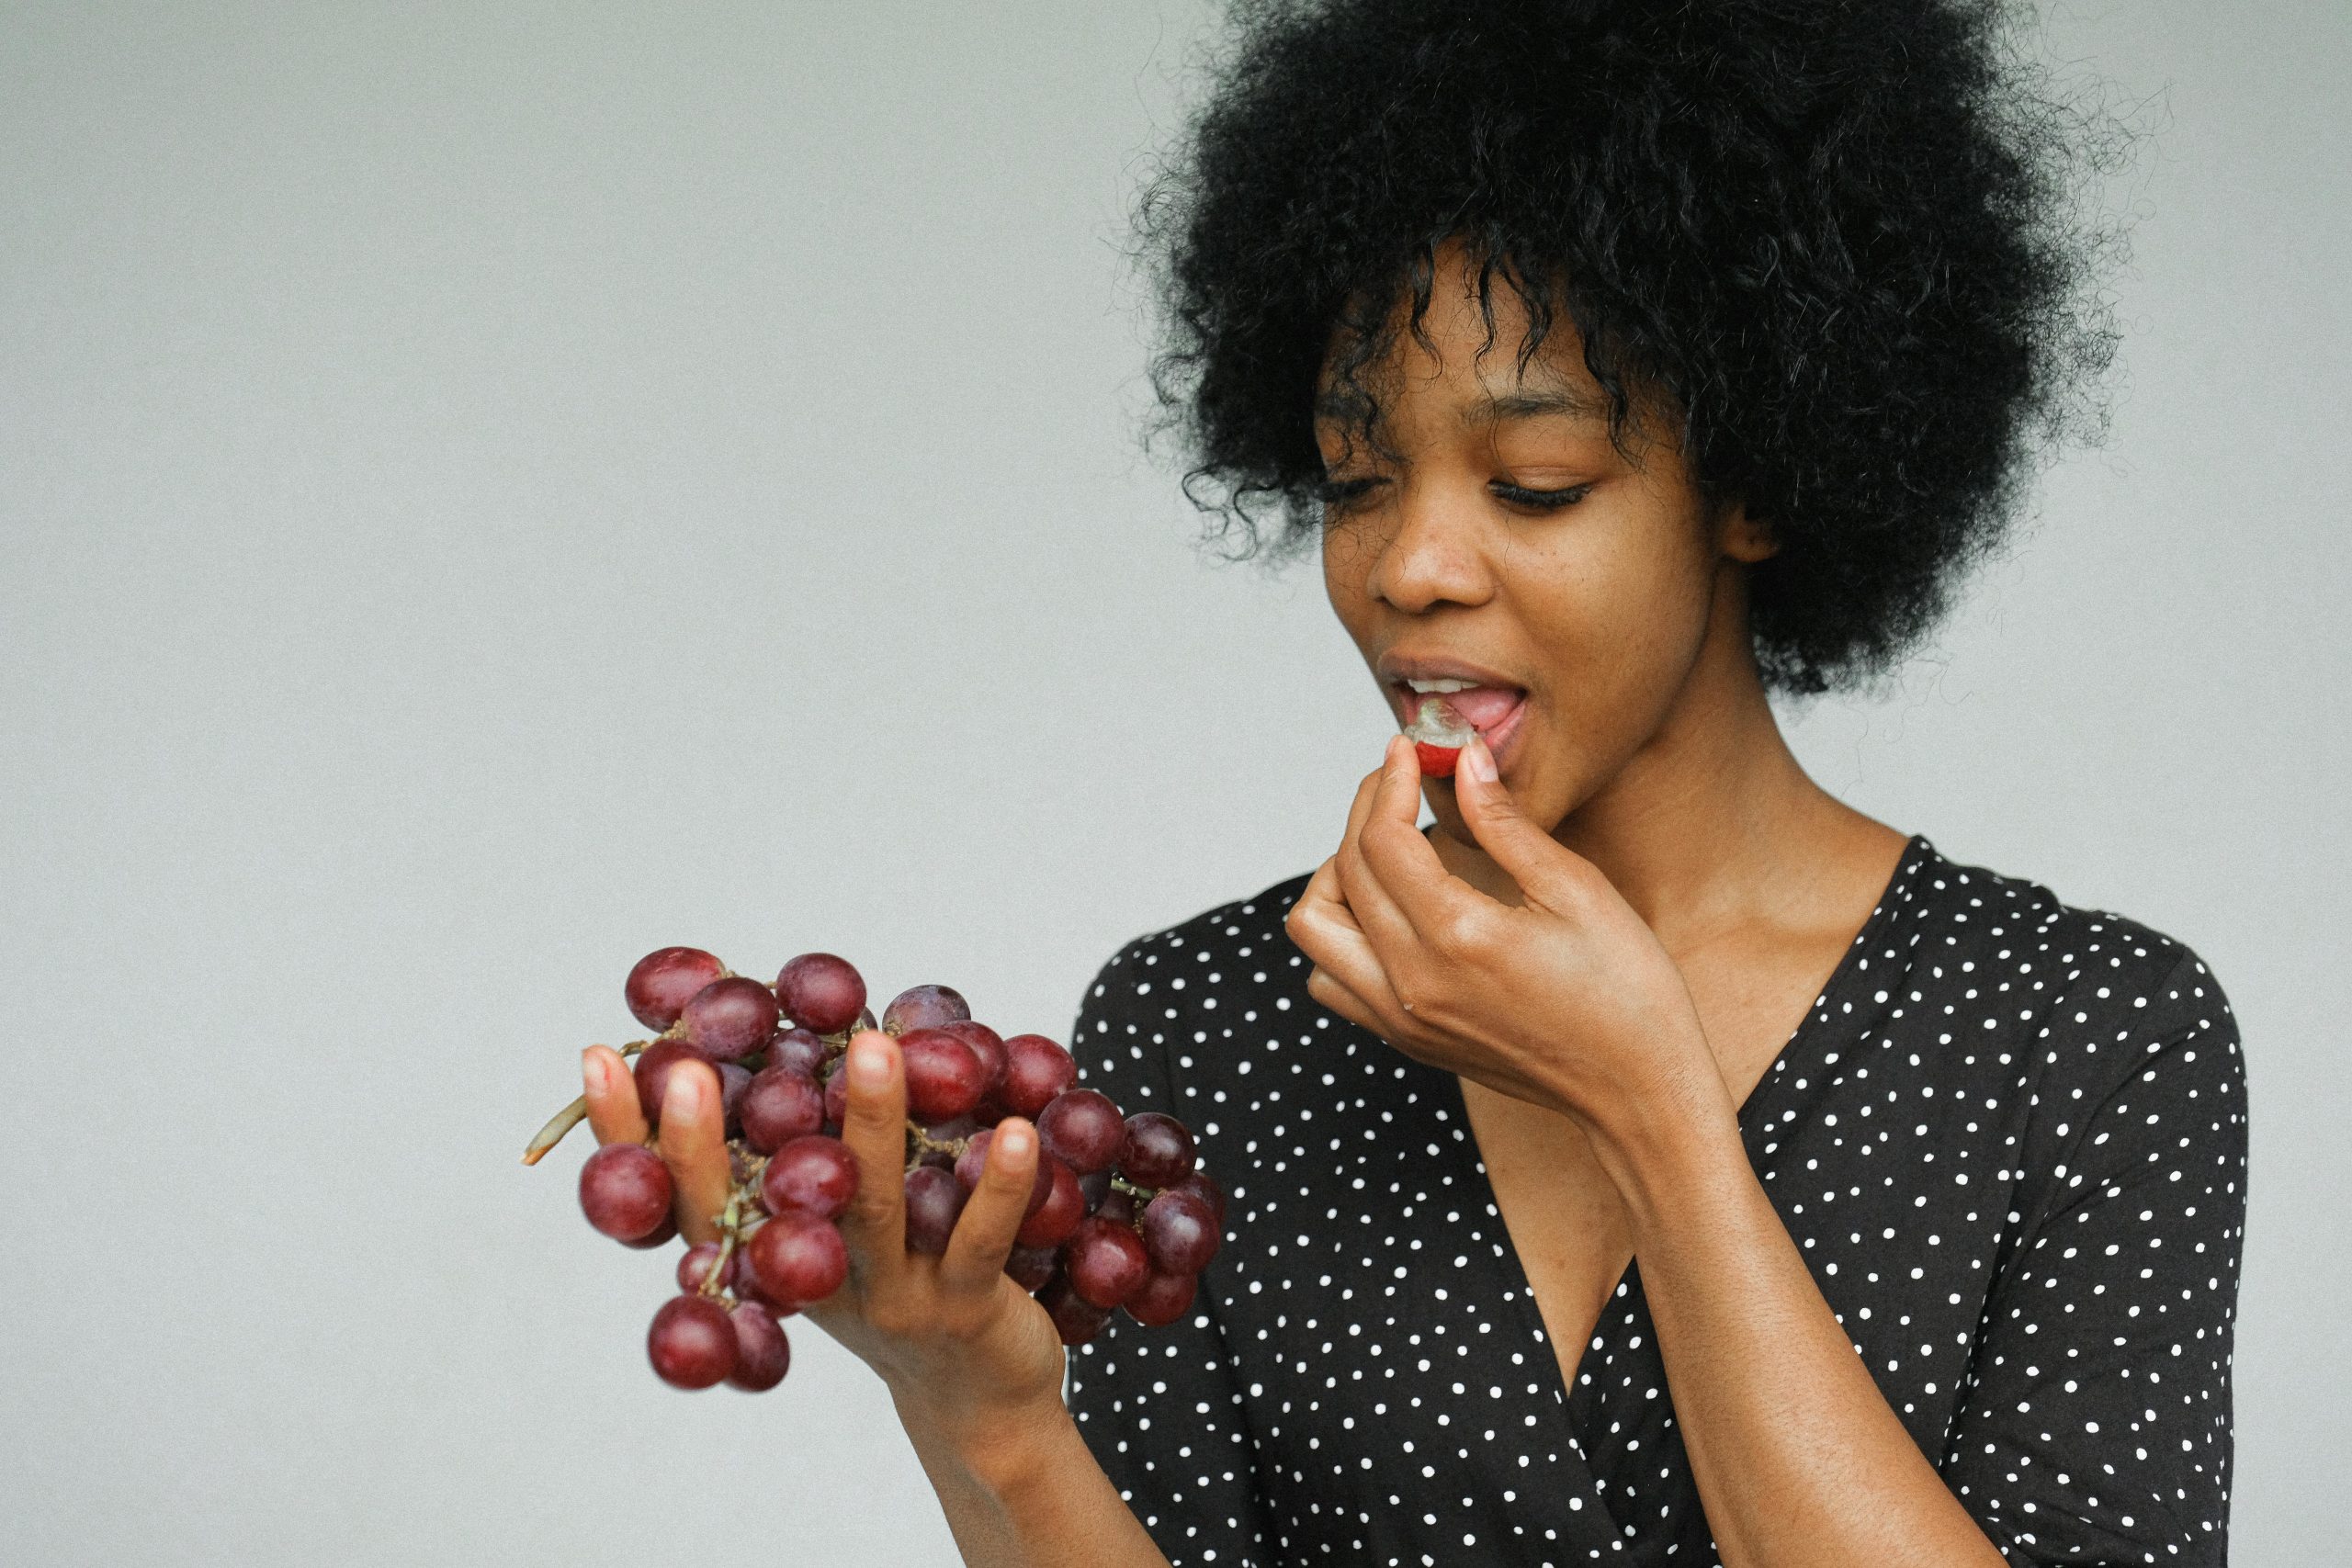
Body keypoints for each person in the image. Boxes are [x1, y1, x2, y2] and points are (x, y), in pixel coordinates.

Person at [582, 2, 2246, 1563]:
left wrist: (1653, 1109)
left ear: (1757, 483)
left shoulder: (2083, 1034)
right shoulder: (1211, 1024)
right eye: (1358, 477)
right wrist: (984, 1413)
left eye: (1535, 485)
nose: (1410, 566)